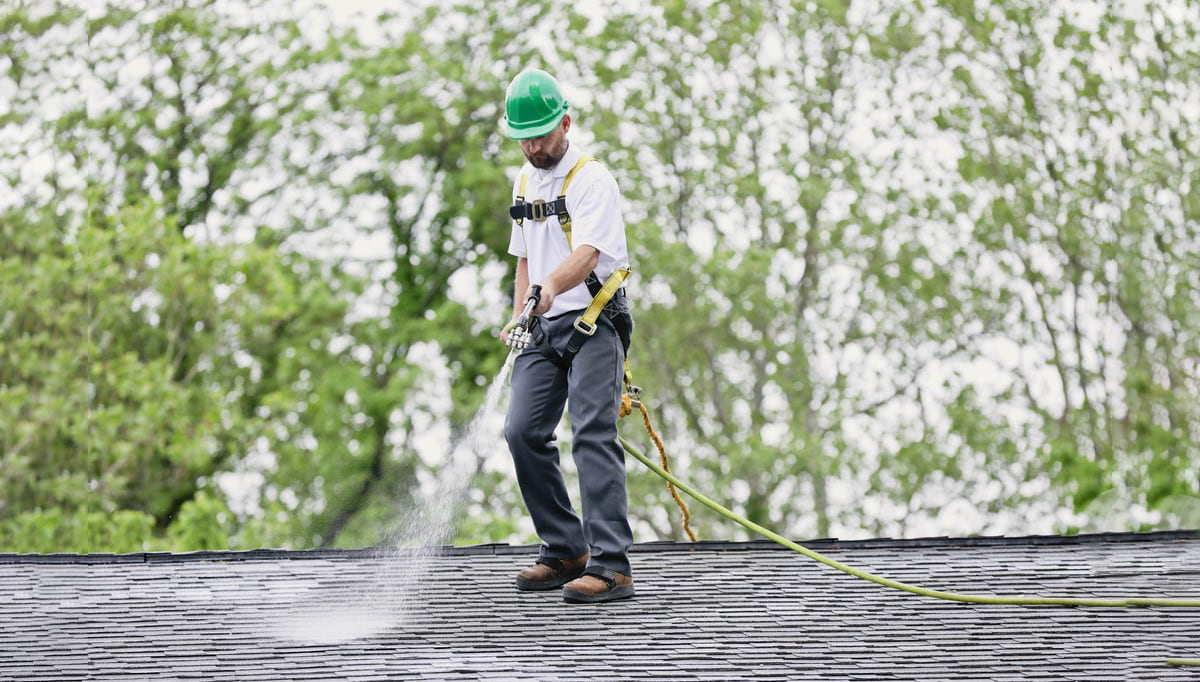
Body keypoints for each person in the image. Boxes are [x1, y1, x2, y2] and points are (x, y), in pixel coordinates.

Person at [499, 68, 636, 604]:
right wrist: (520, 315)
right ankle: (565, 548)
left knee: (592, 433)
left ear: (566, 123)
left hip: (592, 320)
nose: (533, 145)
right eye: (524, 137)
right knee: (521, 432)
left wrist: (549, 288)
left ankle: (611, 567)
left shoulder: (590, 178)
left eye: (541, 135)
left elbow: (587, 256)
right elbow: (525, 258)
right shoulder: (524, 181)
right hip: (543, 326)